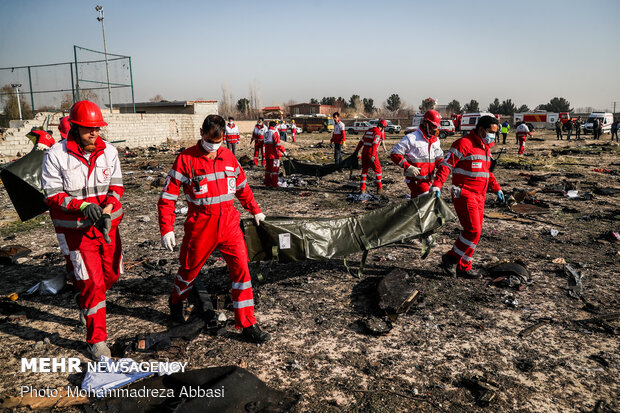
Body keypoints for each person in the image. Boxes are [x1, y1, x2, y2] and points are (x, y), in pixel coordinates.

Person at [158, 114, 270, 343]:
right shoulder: (185, 159)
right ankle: (176, 302)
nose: (214, 147)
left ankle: (247, 323)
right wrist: (166, 228)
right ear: (202, 133)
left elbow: (242, 188)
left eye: (219, 142)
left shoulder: (229, 157)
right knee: (188, 271)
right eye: (211, 141)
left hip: (229, 224)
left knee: (242, 272)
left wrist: (255, 210)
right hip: (201, 226)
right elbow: (167, 197)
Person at [41, 100, 124, 359]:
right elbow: (52, 194)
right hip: (78, 233)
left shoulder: (109, 152)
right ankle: (96, 341)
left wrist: (108, 210)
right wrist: (82, 206)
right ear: (75, 128)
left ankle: (84, 301)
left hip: (107, 228)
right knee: (93, 284)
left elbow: (116, 188)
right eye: (89, 129)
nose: (94, 133)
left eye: (97, 128)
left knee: (111, 275)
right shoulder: (56, 155)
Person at [431, 115, 504, 278]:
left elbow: (487, 172)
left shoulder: (485, 148)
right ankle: (450, 258)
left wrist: (496, 188)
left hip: (480, 195)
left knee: (476, 233)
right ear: (481, 130)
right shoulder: (463, 144)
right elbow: (446, 165)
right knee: (473, 230)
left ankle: (464, 266)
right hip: (463, 193)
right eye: (491, 132)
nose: (493, 135)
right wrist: (437, 184)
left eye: (495, 132)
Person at [390, 110, 444, 199]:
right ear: (425, 123)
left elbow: (439, 158)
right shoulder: (411, 138)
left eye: (436, 127)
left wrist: (443, 168)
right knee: (425, 200)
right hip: (415, 180)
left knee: (417, 202)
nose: (435, 130)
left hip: (428, 179)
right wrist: (408, 166)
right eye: (433, 126)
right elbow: (395, 154)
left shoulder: (436, 141)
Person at [354, 119, 386, 193]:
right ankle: (379, 188)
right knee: (378, 171)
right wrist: (373, 155)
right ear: (382, 127)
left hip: (364, 152)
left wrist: (356, 151)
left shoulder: (369, 130)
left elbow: (361, 141)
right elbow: (375, 144)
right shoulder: (378, 133)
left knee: (364, 170)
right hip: (371, 153)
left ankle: (362, 188)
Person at [264, 120, 286, 188]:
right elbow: (277, 144)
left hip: (267, 154)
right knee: (275, 170)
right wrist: (284, 151)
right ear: (275, 126)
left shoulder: (266, 133)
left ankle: (267, 184)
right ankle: (274, 185)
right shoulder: (274, 132)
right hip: (274, 155)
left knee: (268, 170)